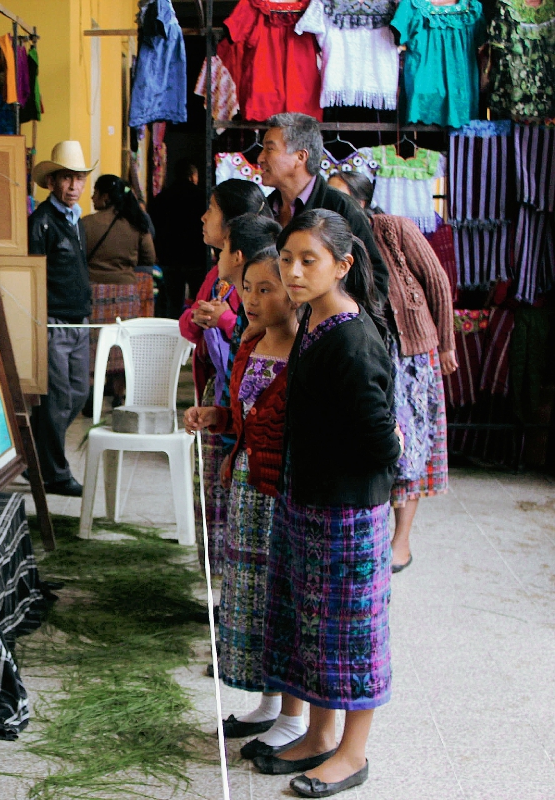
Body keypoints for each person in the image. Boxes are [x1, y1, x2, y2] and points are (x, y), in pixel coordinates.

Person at [256, 210, 399, 797]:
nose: (292, 271)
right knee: (313, 630)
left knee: (352, 638)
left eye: (307, 260)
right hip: (309, 502)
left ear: (342, 265)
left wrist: (383, 450)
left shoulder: (354, 339)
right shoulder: (315, 321)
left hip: (346, 513)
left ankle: (352, 754)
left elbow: (381, 441)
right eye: (286, 258)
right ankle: (319, 735)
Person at [184, 216, 310, 753]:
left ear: (294, 294)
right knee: (252, 598)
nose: (252, 301)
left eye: (265, 290)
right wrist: (216, 417)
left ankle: (295, 715)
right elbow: (244, 416)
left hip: (281, 496)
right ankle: (269, 701)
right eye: (248, 289)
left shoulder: (305, 350)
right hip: (247, 491)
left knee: (282, 599)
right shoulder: (251, 341)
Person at [328, 171, 456, 573]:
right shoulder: (332, 243)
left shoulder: (394, 229)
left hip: (411, 354)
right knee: (376, 442)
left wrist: (447, 344)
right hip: (371, 354)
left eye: (342, 198)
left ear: (363, 202)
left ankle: (401, 543)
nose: (336, 207)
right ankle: (374, 534)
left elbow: (437, 281)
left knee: (410, 447)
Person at [182, 179, 272, 575]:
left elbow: (253, 345)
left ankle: (227, 579)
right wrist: (201, 317)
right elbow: (188, 325)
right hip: (224, 405)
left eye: (212, 210)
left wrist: (225, 320)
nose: (203, 218)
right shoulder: (218, 278)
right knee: (218, 499)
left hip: (242, 418)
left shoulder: (261, 296)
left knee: (240, 512)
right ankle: (218, 579)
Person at [258, 113, 391, 330]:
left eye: (269, 149)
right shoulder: (263, 209)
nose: (260, 158)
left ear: (300, 156)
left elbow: (376, 278)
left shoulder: (340, 207)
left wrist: (334, 325)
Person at [28, 140, 97, 497]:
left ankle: (34, 456)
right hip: (53, 323)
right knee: (56, 401)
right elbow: (34, 277)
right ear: (52, 181)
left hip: (78, 321)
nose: (73, 186)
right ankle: (55, 473)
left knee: (78, 394)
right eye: (66, 178)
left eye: (79, 178)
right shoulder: (41, 222)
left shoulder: (76, 220)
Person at [83, 174, 159, 404]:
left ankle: (92, 393)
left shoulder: (86, 223)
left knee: (94, 344)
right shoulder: (136, 223)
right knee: (121, 345)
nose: (92, 197)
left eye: (95, 193)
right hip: (126, 293)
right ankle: (119, 393)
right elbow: (149, 256)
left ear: (105, 196)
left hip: (94, 292)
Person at [150, 160, 209, 318]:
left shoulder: (162, 198)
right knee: (199, 300)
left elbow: (155, 228)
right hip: (195, 256)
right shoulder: (201, 197)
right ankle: (195, 329)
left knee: (173, 302)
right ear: (192, 176)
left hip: (170, 257)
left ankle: (175, 327)